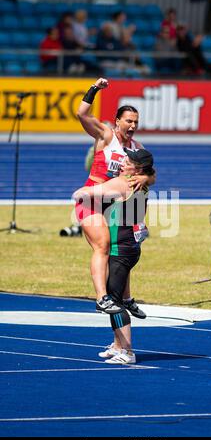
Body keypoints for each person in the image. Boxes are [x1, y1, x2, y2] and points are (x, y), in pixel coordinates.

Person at [75, 78, 155, 315]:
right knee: (103, 245)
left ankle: (126, 298)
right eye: (128, 121)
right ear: (118, 120)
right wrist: (95, 89)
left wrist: (144, 179)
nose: (132, 125)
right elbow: (81, 114)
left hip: (114, 206)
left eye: (136, 122)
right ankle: (102, 298)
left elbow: (152, 174)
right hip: (90, 201)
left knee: (124, 249)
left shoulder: (136, 146)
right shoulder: (105, 136)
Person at [73, 147, 155, 364]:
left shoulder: (122, 183)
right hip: (132, 247)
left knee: (114, 301)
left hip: (120, 248)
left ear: (136, 167)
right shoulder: (143, 182)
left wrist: (86, 191)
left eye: (127, 160)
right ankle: (118, 345)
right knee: (117, 296)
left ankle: (127, 352)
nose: (123, 161)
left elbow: (83, 193)